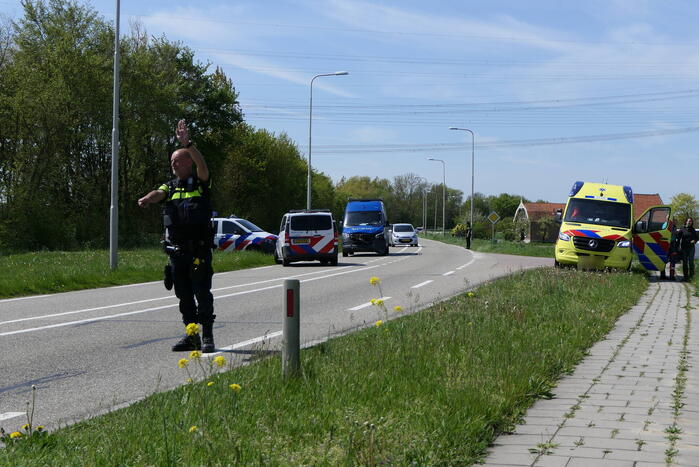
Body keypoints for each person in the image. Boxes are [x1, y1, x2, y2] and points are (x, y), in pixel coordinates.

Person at [138, 120, 216, 352]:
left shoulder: (201, 183)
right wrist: (146, 198)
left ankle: (208, 336)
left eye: (177, 159)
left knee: (202, 293)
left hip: (198, 250)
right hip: (177, 251)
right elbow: (158, 193)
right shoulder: (170, 187)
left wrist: (187, 143)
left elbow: (203, 165)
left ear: (188, 162)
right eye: (171, 160)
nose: (173, 163)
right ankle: (191, 335)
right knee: (183, 297)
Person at [678, 217, 698, 282]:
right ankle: (685, 277)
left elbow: (697, 238)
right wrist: (678, 246)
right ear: (686, 222)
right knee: (685, 263)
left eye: (690, 221)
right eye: (688, 221)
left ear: (691, 223)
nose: (689, 222)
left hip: (691, 248)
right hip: (684, 248)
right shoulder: (682, 229)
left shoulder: (693, 230)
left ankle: (692, 277)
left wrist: (694, 241)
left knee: (691, 262)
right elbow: (678, 237)